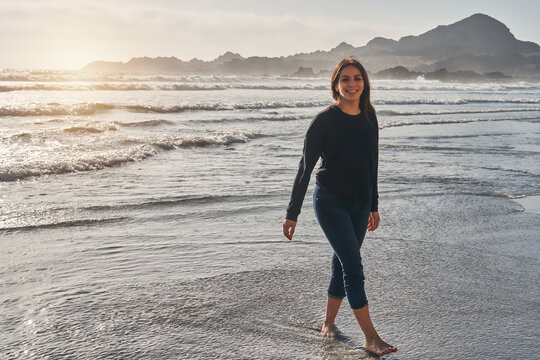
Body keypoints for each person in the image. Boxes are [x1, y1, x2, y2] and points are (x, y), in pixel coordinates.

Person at [282, 57, 397, 356]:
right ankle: (371, 337)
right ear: (335, 84)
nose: (351, 84)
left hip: (360, 205)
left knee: (341, 264)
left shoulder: (370, 117)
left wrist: (374, 205)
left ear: (364, 83)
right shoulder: (324, 120)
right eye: (345, 79)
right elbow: (305, 168)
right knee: (353, 266)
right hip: (330, 201)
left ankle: (328, 324)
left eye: (357, 78)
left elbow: (372, 164)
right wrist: (292, 214)